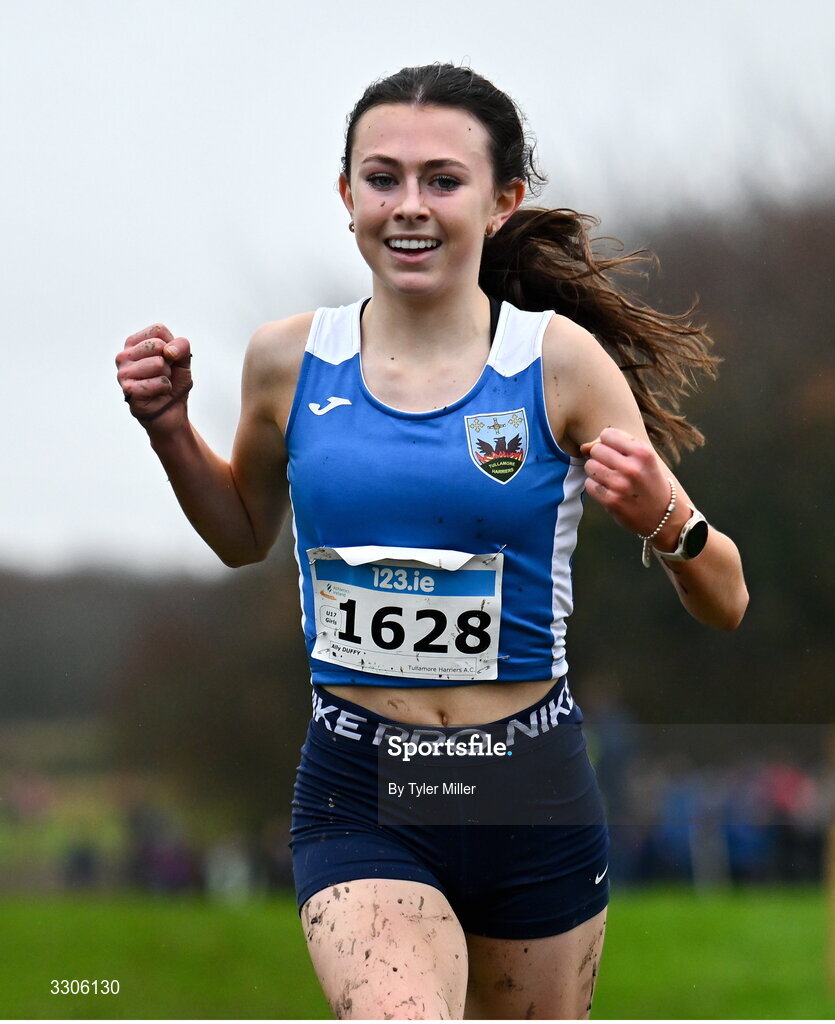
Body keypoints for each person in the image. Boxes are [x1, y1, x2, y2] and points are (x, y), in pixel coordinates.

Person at [116, 64, 748, 1019]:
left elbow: (727, 597)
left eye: (442, 181)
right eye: (383, 178)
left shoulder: (557, 363)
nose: (408, 206)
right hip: (363, 783)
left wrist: (667, 516)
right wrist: (171, 431)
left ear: (502, 202)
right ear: (347, 196)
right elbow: (245, 535)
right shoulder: (290, 359)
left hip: (530, 790)